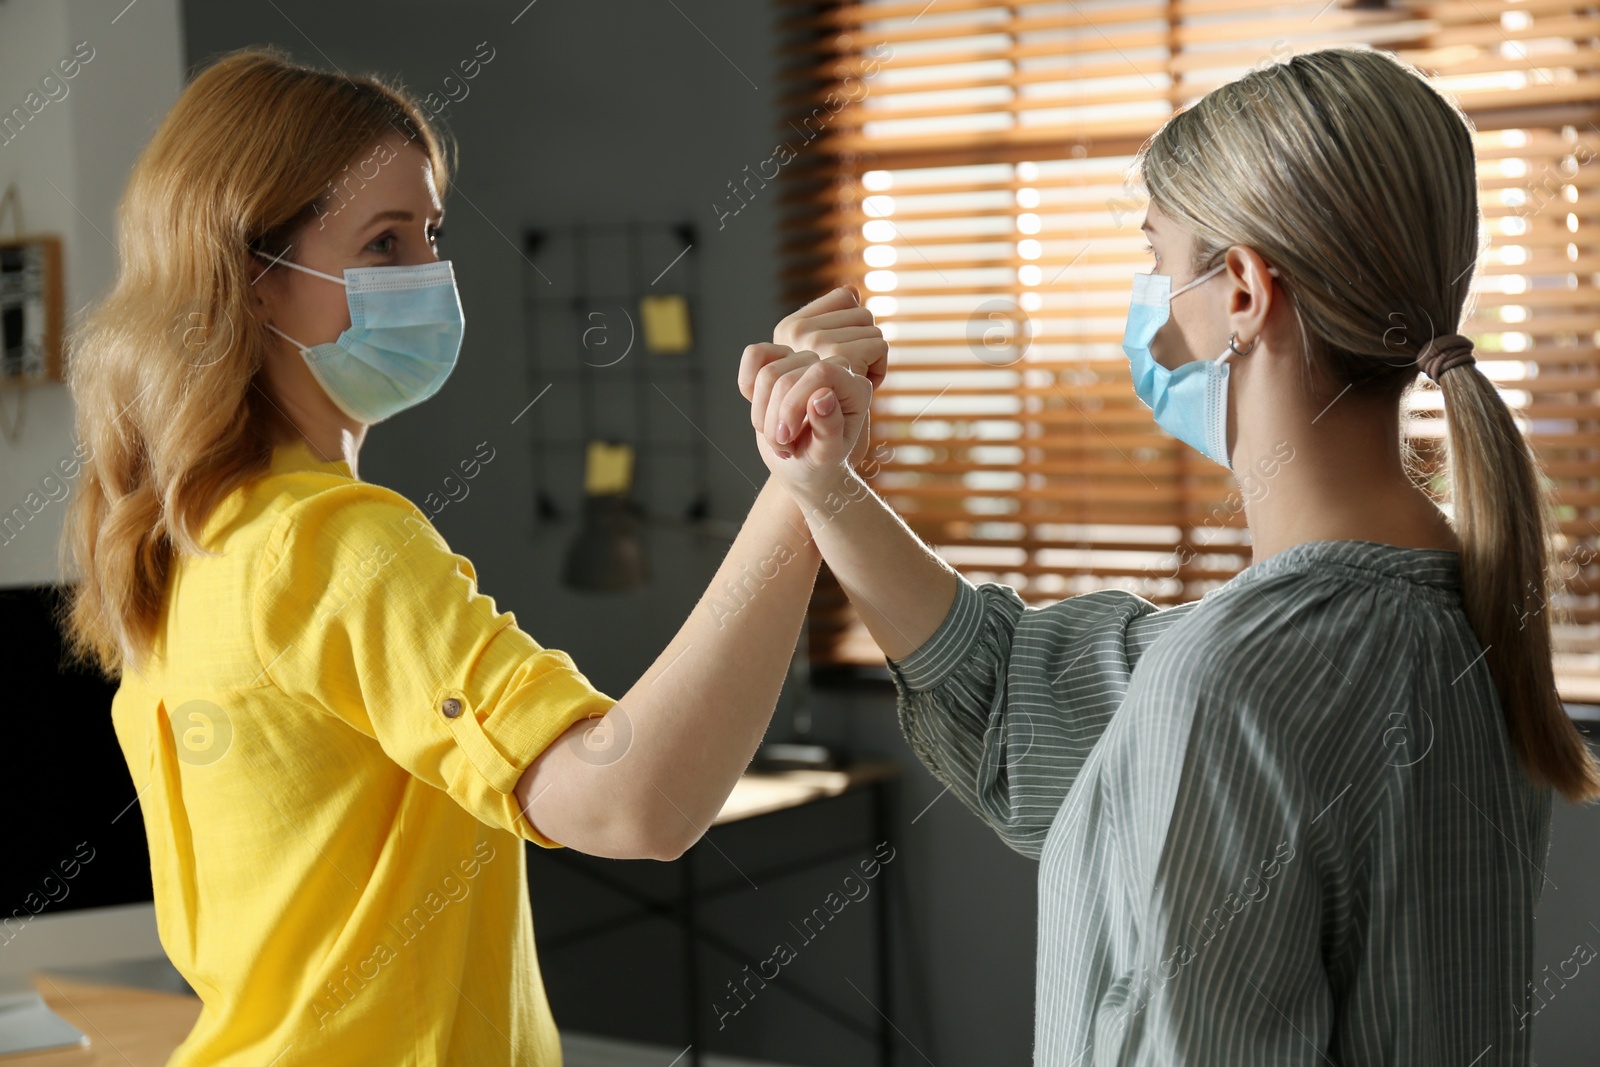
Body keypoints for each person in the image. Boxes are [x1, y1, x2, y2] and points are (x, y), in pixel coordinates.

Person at [741, 46, 1600, 1064]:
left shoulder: (1233, 677)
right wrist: (825, 484)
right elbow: (1028, 704)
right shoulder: (1453, 608)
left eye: (1156, 257)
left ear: (1240, 289)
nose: (1147, 302)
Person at [56, 48, 884, 1065]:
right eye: (383, 242)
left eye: (431, 233)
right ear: (260, 281)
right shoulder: (335, 543)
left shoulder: (187, 537)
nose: (430, 276)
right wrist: (802, 480)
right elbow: (635, 799)